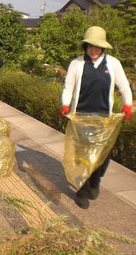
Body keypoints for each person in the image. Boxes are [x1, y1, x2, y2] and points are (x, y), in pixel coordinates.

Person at [61, 26, 133, 209]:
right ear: (85, 46)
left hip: (104, 119)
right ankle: (82, 191)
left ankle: (95, 181)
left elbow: (124, 85)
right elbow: (68, 87)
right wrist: (66, 104)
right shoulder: (76, 64)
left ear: (103, 48)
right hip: (81, 117)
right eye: (90, 46)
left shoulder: (113, 64)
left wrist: (127, 104)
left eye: (97, 47)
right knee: (82, 157)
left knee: (102, 156)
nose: (93, 50)